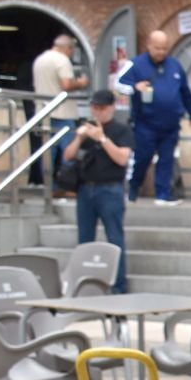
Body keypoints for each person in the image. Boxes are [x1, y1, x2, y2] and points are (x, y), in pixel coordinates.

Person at [59, 89, 134, 293]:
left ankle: (118, 285)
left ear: (111, 107)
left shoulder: (121, 131)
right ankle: (84, 284)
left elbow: (121, 158)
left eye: (102, 108)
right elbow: (68, 155)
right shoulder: (86, 130)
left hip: (110, 189)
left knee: (114, 238)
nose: (98, 112)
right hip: (86, 190)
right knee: (84, 240)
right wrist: (79, 138)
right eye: (95, 108)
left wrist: (102, 139)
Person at [116, 30, 191, 205]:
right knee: (142, 158)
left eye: (165, 48)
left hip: (171, 123)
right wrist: (135, 87)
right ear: (149, 46)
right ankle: (134, 186)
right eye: (157, 48)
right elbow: (118, 83)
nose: (161, 52)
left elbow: (185, 92)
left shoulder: (175, 66)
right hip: (146, 123)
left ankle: (163, 194)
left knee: (166, 158)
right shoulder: (135, 64)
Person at [31, 34, 88, 190]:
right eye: (72, 50)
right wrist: (82, 83)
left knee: (47, 151)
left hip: (43, 112)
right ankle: (66, 186)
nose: (71, 54)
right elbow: (66, 84)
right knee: (68, 151)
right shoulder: (62, 60)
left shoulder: (40, 59)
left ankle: (48, 185)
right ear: (67, 48)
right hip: (63, 113)